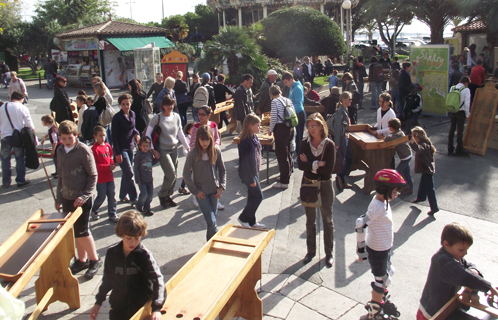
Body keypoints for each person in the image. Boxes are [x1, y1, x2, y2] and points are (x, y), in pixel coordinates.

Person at [90, 211, 165, 320]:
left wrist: (156, 308)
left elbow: (158, 280)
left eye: (137, 238)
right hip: (117, 308)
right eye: (128, 238)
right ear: (121, 235)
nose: (133, 243)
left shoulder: (144, 255)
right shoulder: (112, 253)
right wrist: (98, 302)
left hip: (139, 308)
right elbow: (107, 280)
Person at [416, 222, 498, 320]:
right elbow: (465, 277)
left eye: (466, 250)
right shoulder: (441, 260)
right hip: (432, 313)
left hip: (446, 308)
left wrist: (473, 270)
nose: (465, 253)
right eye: (461, 250)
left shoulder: (454, 256)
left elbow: (468, 265)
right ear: (446, 244)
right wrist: (490, 288)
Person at [356, 169, 406, 320]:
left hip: (384, 248)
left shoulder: (382, 201)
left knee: (388, 273)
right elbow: (360, 224)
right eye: (396, 190)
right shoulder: (378, 206)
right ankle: (374, 312)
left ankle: (379, 301)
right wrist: (361, 250)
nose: (397, 194)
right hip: (378, 250)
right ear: (385, 189)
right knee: (381, 280)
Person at [55, 120, 101, 279]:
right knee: (75, 232)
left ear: (76, 135)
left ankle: (94, 259)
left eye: (70, 138)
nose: (67, 141)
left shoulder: (83, 150)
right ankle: (82, 260)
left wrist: (85, 195)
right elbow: (60, 175)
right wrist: (58, 196)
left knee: (82, 230)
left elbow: (93, 175)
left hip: (82, 197)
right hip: (67, 196)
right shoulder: (59, 150)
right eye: (64, 138)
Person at [297, 113, 336, 267]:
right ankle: (311, 251)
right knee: (310, 221)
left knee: (327, 219)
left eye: (314, 126)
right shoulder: (304, 144)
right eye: (309, 126)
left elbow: (328, 170)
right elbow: (300, 166)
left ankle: (329, 253)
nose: (311, 129)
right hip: (308, 184)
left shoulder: (329, 145)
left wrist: (310, 163)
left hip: (325, 185)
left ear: (321, 126)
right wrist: (317, 164)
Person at [183, 125, 226, 241]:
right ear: (198, 139)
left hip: (214, 191)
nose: (205, 142)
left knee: (211, 222)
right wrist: (195, 191)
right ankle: (218, 240)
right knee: (211, 221)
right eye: (202, 140)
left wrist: (221, 187)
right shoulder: (193, 153)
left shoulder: (216, 151)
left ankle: (210, 246)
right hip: (202, 193)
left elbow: (222, 170)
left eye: (207, 139)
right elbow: (186, 174)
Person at [146, 94, 190, 208]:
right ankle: (162, 195)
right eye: (167, 105)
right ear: (163, 106)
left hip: (174, 148)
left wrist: (187, 146)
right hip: (162, 150)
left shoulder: (176, 116)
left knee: (174, 175)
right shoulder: (157, 117)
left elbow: (180, 132)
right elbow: (147, 135)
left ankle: (168, 196)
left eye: (171, 104)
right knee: (170, 174)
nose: (170, 107)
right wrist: (152, 150)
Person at [1, 91, 34, 188]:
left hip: (4, 135)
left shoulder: (2, 107)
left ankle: (6, 182)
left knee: (5, 159)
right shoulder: (22, 107)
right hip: (18, 136)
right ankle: (20, 180)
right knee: (19, 158)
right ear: (21, 98)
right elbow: (29, 125)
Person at [112, 94, 140, 207]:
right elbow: (114, 136)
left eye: (127, 104)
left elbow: (133, 128)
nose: (126, 106)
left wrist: (136, 134)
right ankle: (134, 198)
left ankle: (123, 195)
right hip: (121, 148)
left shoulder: (132, 114)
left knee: (126, 173)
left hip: (130, 147)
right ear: (120, 105)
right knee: (129, 172)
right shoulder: (117, 118)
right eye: (123, 104)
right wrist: (117, 153)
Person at [237, 114, 265, 229]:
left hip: (255, 172)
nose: (260, 127)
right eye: (257, 125)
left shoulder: (254, 137)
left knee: (252, 196)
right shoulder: (245, 141)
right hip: (249, 174)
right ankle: (243, 217)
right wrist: (251, 179)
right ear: (250, 126)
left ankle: (251, 221)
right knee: (258, 196)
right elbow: (244, 163)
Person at [269, 85, 295, 189]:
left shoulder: (275, 102)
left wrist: (270, 130)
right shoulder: (288, 100)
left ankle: (284, 181)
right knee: (287, 152)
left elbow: (274, 118)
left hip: (280, 129)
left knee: (281, 155)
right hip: (290, 128)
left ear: (271, 94)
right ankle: (286, 175)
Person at [90, 125, 118, 222]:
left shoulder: (107, 146)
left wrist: (112, 164)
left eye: (104, 135)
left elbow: (110, 157)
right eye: (100, 136)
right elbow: (95, 166)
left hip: (109, 177)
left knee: (112, 195)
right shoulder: (94, 149)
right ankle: (94, 209)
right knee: (101, 196)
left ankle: (112, 212)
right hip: (101, 178)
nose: (102, 138)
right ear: (95, 137)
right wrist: (107, 167)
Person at [410, 126, 439, 216]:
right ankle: (421, 197)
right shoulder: (425, 142)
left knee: (430, 188)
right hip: (426, 168)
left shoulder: (423, 145)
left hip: (427, 168)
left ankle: (434, 207)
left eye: (413, 136)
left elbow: (419, 149)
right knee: (423, 182)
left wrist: (412, 143)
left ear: (417, 136)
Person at [383, 118, 413, 194]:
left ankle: (405, 185)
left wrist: (388, 137)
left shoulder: (397, 135)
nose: (388, 127)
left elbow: (387, 139)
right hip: (406, 155)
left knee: (398, 171)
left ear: (392, 128)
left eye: (389, 126)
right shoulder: (398, 132)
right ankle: (410, 188)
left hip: (406, 156)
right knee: (406, 173)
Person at [333, 91, 353, 191]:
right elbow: (337, 128)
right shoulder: (340, 111)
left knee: (349, 159)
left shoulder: (344, 109)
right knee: (344, 160)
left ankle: (341, 178)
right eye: (349, 99)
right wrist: (337, 143)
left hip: (344, 138)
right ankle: (341, 179)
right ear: (344, 99)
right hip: (341, 140)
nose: (351, 101)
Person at [134, 136, 160, 216]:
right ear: (140, 146)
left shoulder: (149, 153)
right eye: (144, 146)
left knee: (150, 195)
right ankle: (139, 205)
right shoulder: (139, 156)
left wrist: (157, 159)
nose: (145, 148)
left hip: (149, 179)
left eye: (147, 146)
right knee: (144, 194)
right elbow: (136, 168)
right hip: (142, 180)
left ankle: (147, 208)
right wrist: (137, 179)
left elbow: (150, 163)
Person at [282, 71, 305, 155]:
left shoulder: (297, 88)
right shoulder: (292, 87)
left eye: (286, 82)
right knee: (295, 136)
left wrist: (288, 112)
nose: (285, 84)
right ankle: (297, 153)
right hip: (294, 113)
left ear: (291, 79)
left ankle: (299, 155)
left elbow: (298, 103)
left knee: (299, 136)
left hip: (298, 114)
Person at [448, 76, 471, 157]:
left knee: (452, 128)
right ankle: (459, 148)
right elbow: (467, 104)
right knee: (460, 130)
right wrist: (468, 114)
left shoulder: (452, 88)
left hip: (453, 110)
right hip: (461, 112)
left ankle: (450, 147)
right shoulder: (466, 90)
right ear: (466, 83)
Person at [178, 122, 195, 196]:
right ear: (188, 131)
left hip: (197, 160)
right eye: (193, 129)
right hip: (190, 161)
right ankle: (182, 187)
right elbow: (184, 150)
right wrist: (189, 153)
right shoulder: (187, 139)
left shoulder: (197, 138)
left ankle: (182, 187)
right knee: (187, 174)